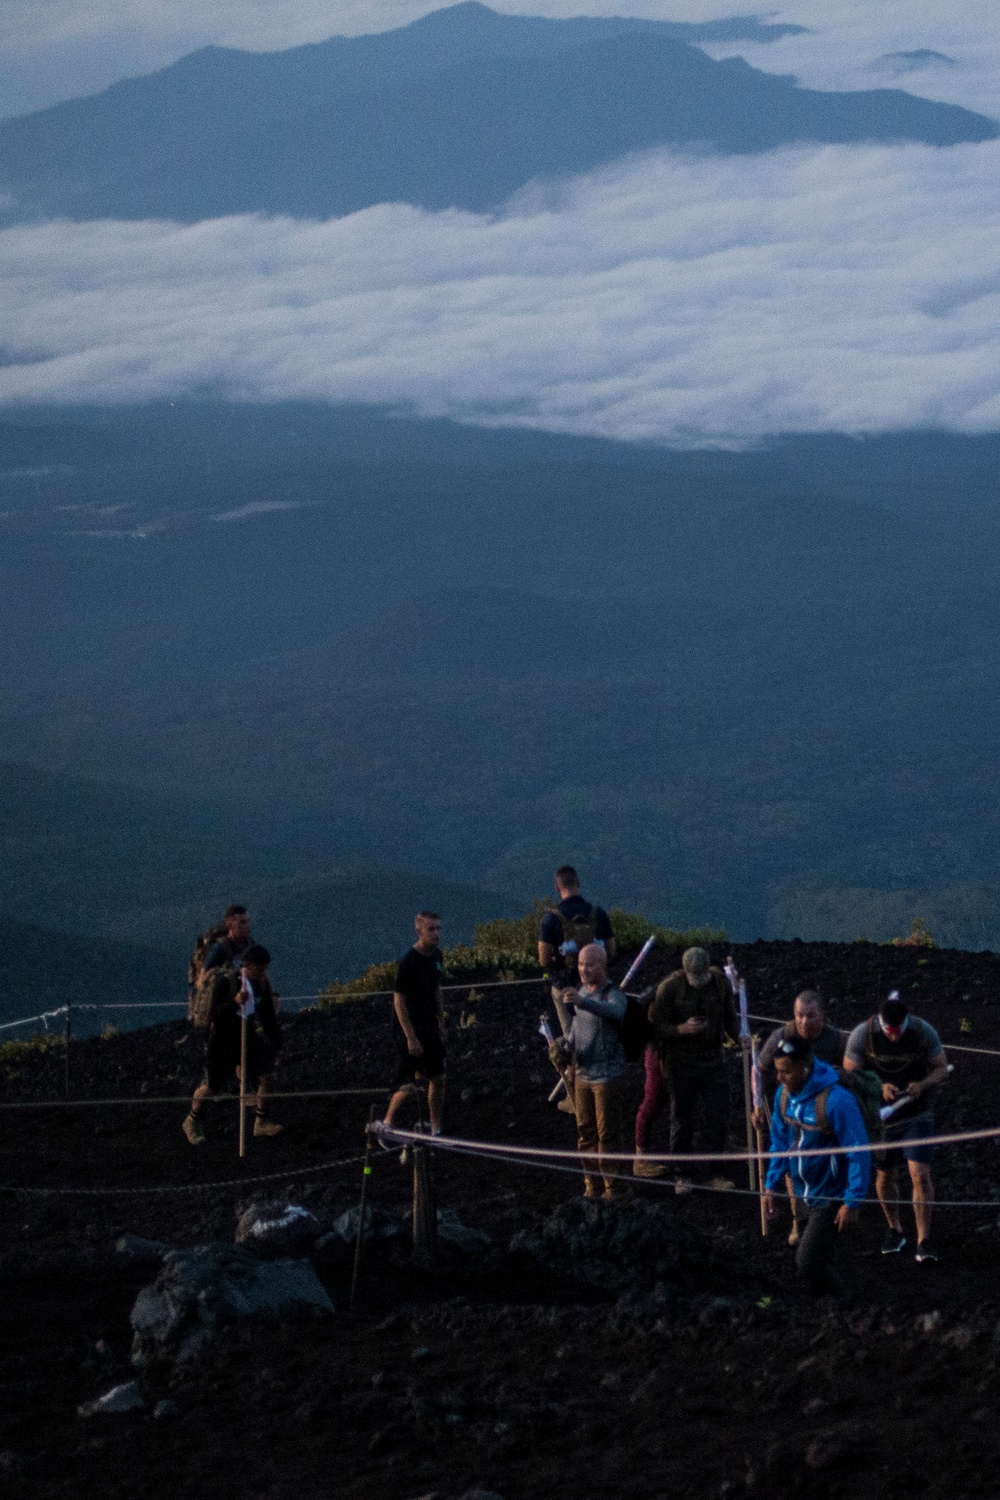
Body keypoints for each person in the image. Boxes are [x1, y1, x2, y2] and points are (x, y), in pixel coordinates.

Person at [843, 993, 949, 1263]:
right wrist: (878, 1087)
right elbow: (850, 1073)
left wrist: (922, 1085)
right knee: (884, 1175)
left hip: (916, 1112)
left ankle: (923, 1239)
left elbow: (941, 1068)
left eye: (898, 1031)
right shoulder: (862, 1034)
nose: (893, 1036)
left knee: (919, 1172)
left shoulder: (922, 1031)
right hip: (881, 1117)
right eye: (889, 1031)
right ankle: (895, 1229)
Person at [764, 1033, 870, 1298]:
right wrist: (771, 1184)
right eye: (778, 1071)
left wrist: (852, 1201)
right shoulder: (783, 1096)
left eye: (786, 1071)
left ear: (805, 1066)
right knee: (820, 1259)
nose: (780, 1078)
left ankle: (847, 1306)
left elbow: (858, 1152)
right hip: (801, 1193)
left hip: (829, 1196)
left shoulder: (837, 1101)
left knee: (807, 1261)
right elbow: (779, 1142)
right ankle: (828, 1310)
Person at [751, 992, 846, 1242]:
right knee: (792, 1159)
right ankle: (798, 1218)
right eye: (799, 1016)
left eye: (810, 1016)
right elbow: (759, 1069)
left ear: (823, 1017)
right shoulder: (782, 1036)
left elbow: (852, 1070)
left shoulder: (835, 1039)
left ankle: (829, 1208)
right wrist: (757, 1105)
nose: (803, 1022)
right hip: (790, 1105)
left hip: (824, 1110)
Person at [647, 946, 741, 1192]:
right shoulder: (670, 989)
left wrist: (741, 1037)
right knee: (681, 1119)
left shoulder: (720, 984)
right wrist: (681, 1029)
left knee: (718, 1117)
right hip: (681, 1064)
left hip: (713, 1061)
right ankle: (682, 1174)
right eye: (694, 978)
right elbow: (657, 1028)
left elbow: (730, 1017)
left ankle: (714, 1172)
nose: (699, 983)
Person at [182, 943, 283, 1144]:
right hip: (222, 1040)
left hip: (247, 1036)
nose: (263, 973)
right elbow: (214, 1015)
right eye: (259, 969)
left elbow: (267, 1018)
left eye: (265, 969)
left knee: (267, 1074)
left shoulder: (260, 984)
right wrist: (235, 1002)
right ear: (247, 965)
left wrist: (277, 1045)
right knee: (211, 1085)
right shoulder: (227, 983)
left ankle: (261, 1122)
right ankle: (192, 1120)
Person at [551, 943, 629, 1200]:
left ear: (603, 966)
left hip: (607, 1076)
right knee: (585, 1133)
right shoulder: (582, 991)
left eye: (590, 964)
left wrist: (583, 1002)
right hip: (583, 1074)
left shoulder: (612, 994)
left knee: (608, 1134)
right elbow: (576, 1028)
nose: (583, 969)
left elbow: (617, 1013)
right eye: (581, 964)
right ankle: (591, 1183)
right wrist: (565, 1047)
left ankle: (613, 1187)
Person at [381, 911, 447, 1137]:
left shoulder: (437, 956)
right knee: (408, 1082)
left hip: (429, 1024)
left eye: (438, 928)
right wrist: (410, 1037)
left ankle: (436, 1128)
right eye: (432, 929)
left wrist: (441, 1019)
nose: (437, 933)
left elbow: (437, 988)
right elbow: (399, 1000)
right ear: (419, 931)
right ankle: (387, 1123)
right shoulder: (407, 963)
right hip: (409, 1027)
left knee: (438, 1077)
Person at [538, 866, 615, 1040]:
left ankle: (573, 1062)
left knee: (570, 1036)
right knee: (597, 1033)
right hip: (595, 984)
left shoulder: (550, 919)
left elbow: (543, 959)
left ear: (557, 888)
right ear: (578, 883)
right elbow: (611, 950)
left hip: (565, 984)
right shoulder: (598, 914)